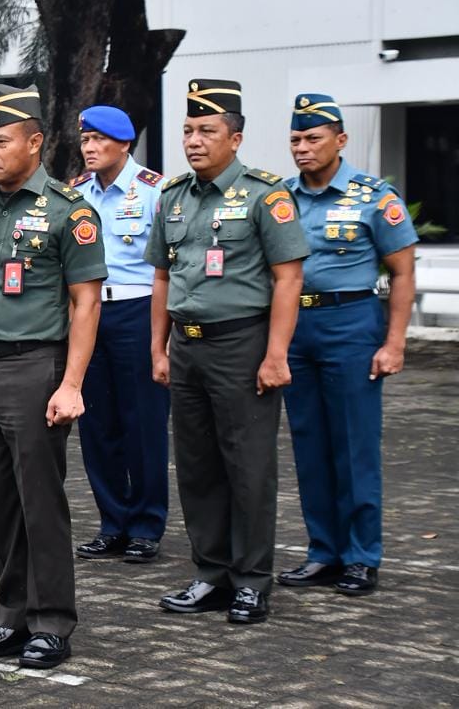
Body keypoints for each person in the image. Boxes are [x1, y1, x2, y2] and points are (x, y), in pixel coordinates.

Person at [0, 83, 105, 670]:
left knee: (39, 501)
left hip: (35, 367)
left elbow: (86, 304)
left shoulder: (69, 211)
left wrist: (71, 384)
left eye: (1, 141)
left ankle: (51, 622)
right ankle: (11, 614)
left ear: (35, 143)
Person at [146, 79, 310, 624]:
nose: (194, 140)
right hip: (187, 347)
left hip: (242, 344)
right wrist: (158, 346)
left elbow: (288, 279)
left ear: (235, 139)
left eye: (207, 131)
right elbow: (163, 278)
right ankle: (210, 574)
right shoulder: (172, 197)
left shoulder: (266, 195)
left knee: (248, 467)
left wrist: (276, 354)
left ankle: (252, 580)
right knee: (196, 466)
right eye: (189, 130)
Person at [277, 93, 418, 597]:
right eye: (295, 139)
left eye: (312, 139)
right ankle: (323, 552)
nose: (302, 149)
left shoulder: (374, 196)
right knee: (309, 445)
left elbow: (402, 273)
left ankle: (361, 555)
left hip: (351, 322)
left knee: (354, 445)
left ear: (340, 139)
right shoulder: (280, 197)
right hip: (295, 330)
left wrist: (394, 342)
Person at [68, 106, 171, 565]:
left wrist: (161, 336)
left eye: (99, 140)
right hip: (88, 312)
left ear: (125, 144)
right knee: (97, 423)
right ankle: (112, 522)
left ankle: (146, 525)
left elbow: (170, 265)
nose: (90, 148)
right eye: (85, 140)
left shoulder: (155, 191)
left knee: (142, 422)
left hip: (138, 309)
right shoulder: (76, 193)